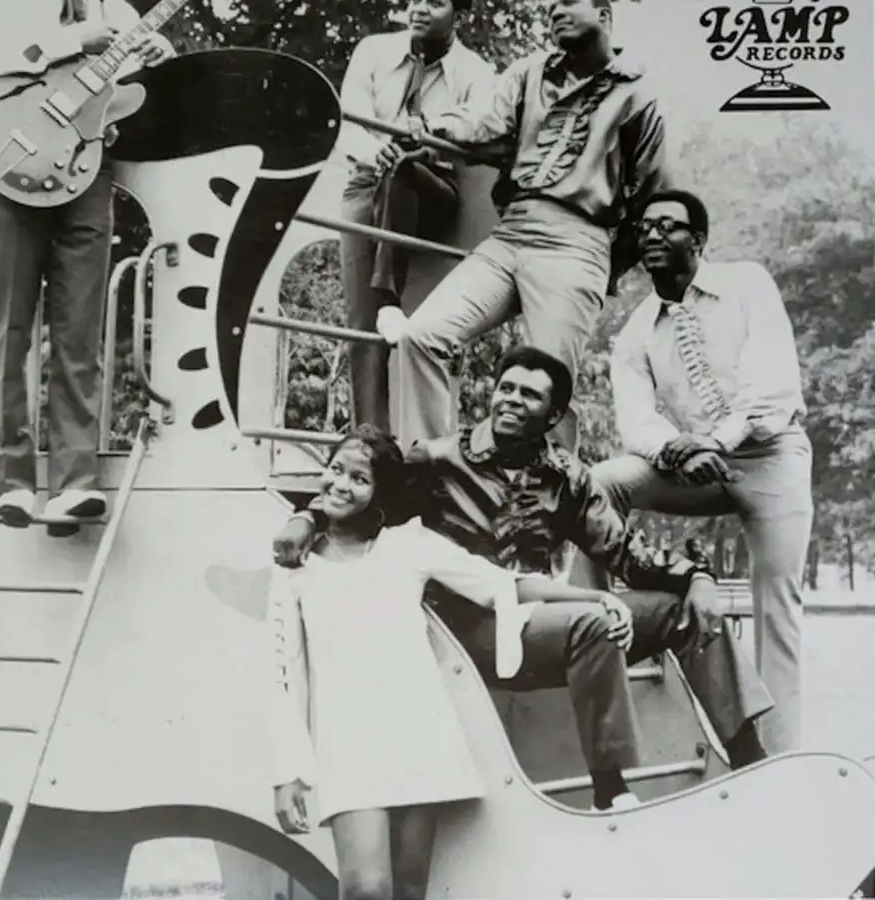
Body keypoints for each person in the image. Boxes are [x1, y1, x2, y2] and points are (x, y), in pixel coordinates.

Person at [273, 348, 774, 814]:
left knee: (687, 610)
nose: (511, 400)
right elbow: (361, 487)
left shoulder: (568, 477)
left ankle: (752, 761)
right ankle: (611, 791)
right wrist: (308, 518)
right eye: (506, 388)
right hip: (466, 629)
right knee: (592, 621)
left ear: (553, 416)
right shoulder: (437, 460)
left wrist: (697, 577)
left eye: (529, 395)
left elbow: (624, 552)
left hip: (539, 616)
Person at [268, 424, 647, 900]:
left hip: (419, 734)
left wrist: (593, 597)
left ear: (379, 492)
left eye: (359, 478)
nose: (341, 484)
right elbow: (286, 676)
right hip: (346, 744)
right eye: (336, 469)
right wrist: (287, 773)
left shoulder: (408, 545)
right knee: (366, 888)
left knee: (410, 890)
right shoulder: (294, 568)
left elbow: (498, 584)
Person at [0, 0, 175, 533]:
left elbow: (133, 101)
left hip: (86, 172)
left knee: (81, 332)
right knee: (8, 330)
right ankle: (10, 484)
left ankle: (75, 485)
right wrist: (78, 39)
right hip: (11, 164)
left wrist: (157, 60)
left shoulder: (124, 11)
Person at [386, 0, 669, 446]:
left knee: (549, 383)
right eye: (550, 7)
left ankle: (549, 490)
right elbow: (485, 121)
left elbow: (651, 196)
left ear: (604, 16)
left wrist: (607, 266)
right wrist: (432, 127)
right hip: (511, 233)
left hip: (577, 240)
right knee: (421, 335)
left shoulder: (638, 93)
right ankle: (432, 466)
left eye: (569, 3)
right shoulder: (529, 72)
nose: (555, 12)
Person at [596, 189, 813, 754]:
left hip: (772, 456)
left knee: (778, 603)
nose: (652, 236)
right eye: (644, 228)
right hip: (695, 465)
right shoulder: (637, 330)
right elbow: (636, 420)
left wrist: (716, 440)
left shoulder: (747, 284)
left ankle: (782, 757)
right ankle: (592, 625)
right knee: (603, 483)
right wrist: (677, 451)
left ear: (697, 240)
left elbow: (771, 384)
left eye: (668, 226)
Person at [336, 0, 496, 431]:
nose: (419, 9)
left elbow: (478, 126)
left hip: (435, 191)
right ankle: (370, 439)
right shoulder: (373, 51)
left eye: (434, 2)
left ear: (459, 17)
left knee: (429, 326)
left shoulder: (477, 72)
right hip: (368, 181)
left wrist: (424, 139)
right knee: (362, 321)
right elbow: (348, 119)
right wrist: (377, 152)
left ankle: (420, 438)